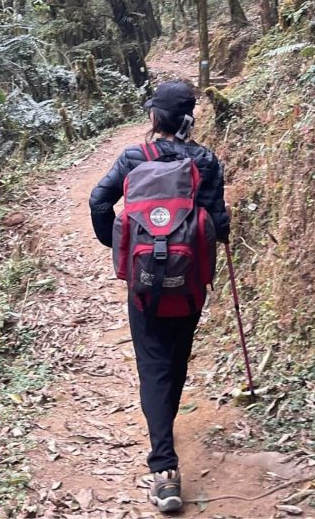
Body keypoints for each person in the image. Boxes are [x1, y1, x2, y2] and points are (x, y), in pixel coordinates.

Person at [88, 81, 230, 513]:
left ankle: (164, 471)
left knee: (152, 366)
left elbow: (99, 200)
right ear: (190, 118)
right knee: (176, 357)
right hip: (188, 283)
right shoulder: (206, 161)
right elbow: (218, 225)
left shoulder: (134, 158)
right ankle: (165, 430)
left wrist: (119, 248)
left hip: (143, 283)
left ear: (155, 118)